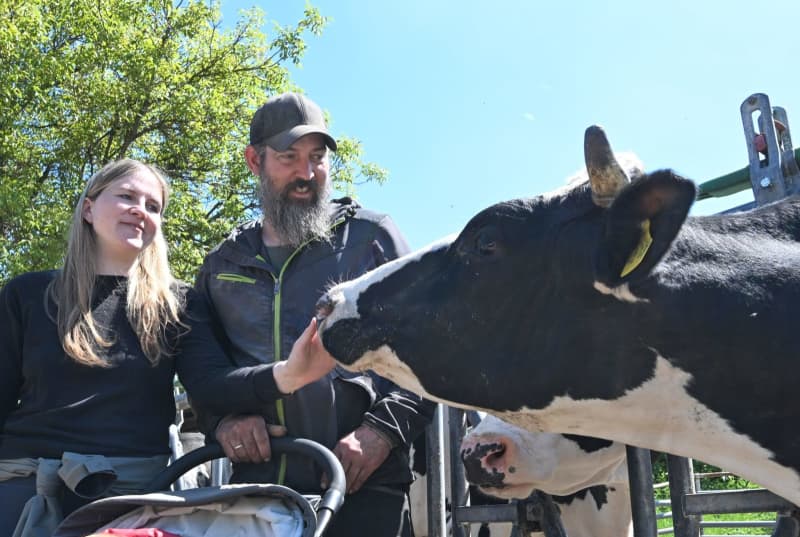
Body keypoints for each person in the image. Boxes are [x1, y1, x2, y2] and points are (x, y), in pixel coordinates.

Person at [0, 158, 332, 536]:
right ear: (89, 209)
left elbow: (211, 385)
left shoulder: (178, 304)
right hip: (21, 490)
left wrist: (290, 374)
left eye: (153, 206)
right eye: (126, 197)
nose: (140, 211)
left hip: (129, 502)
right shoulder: (26, 295)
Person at [194, 92, 435, 537]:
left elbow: (430, 351)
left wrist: (380, 432)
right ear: (255, 161)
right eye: (289, 157)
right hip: (258, 496)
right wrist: (223, 421)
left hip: (366, 488)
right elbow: (201, 372)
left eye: (317, 158)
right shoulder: (222, 264)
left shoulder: (372, 239)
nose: (306, 173)